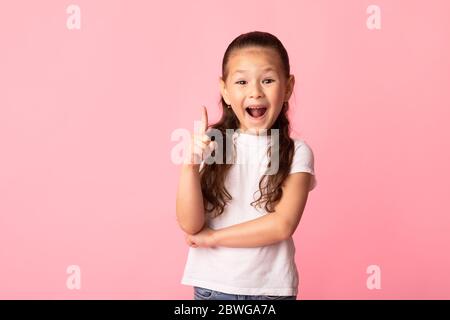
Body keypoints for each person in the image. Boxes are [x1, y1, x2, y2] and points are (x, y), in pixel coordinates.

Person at [176, 31, 317, 300]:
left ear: (287, 87)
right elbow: (191, 225)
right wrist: (189, 166)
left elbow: (282, 225)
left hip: (270, 291)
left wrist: (213, 238)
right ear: (225, 90)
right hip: (212, 287)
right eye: (241, 81)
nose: (255, 91)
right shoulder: (213, 144)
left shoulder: (297, 152)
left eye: (267, 80)